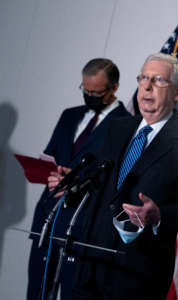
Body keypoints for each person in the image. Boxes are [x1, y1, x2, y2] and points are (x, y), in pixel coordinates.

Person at [49, 53, 178, 300]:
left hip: (136, 273)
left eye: (158, 80)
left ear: (177, 93)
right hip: (89, 263)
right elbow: (102, 182)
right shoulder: (119, 128)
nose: (146, 87)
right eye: (143, 78)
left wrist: (159, 216)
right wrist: (73, 182)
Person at [27, 58, 130, 300]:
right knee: (36, 291)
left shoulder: (126, 125)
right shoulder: (69, 116)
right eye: (85, 90)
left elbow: (117, 179)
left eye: (96, 92)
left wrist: (77, 183)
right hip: (48, 218)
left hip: (82, 223)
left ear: (114, 87)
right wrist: (49, 173)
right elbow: (51, 157)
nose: (89, 95)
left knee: (74, 293)